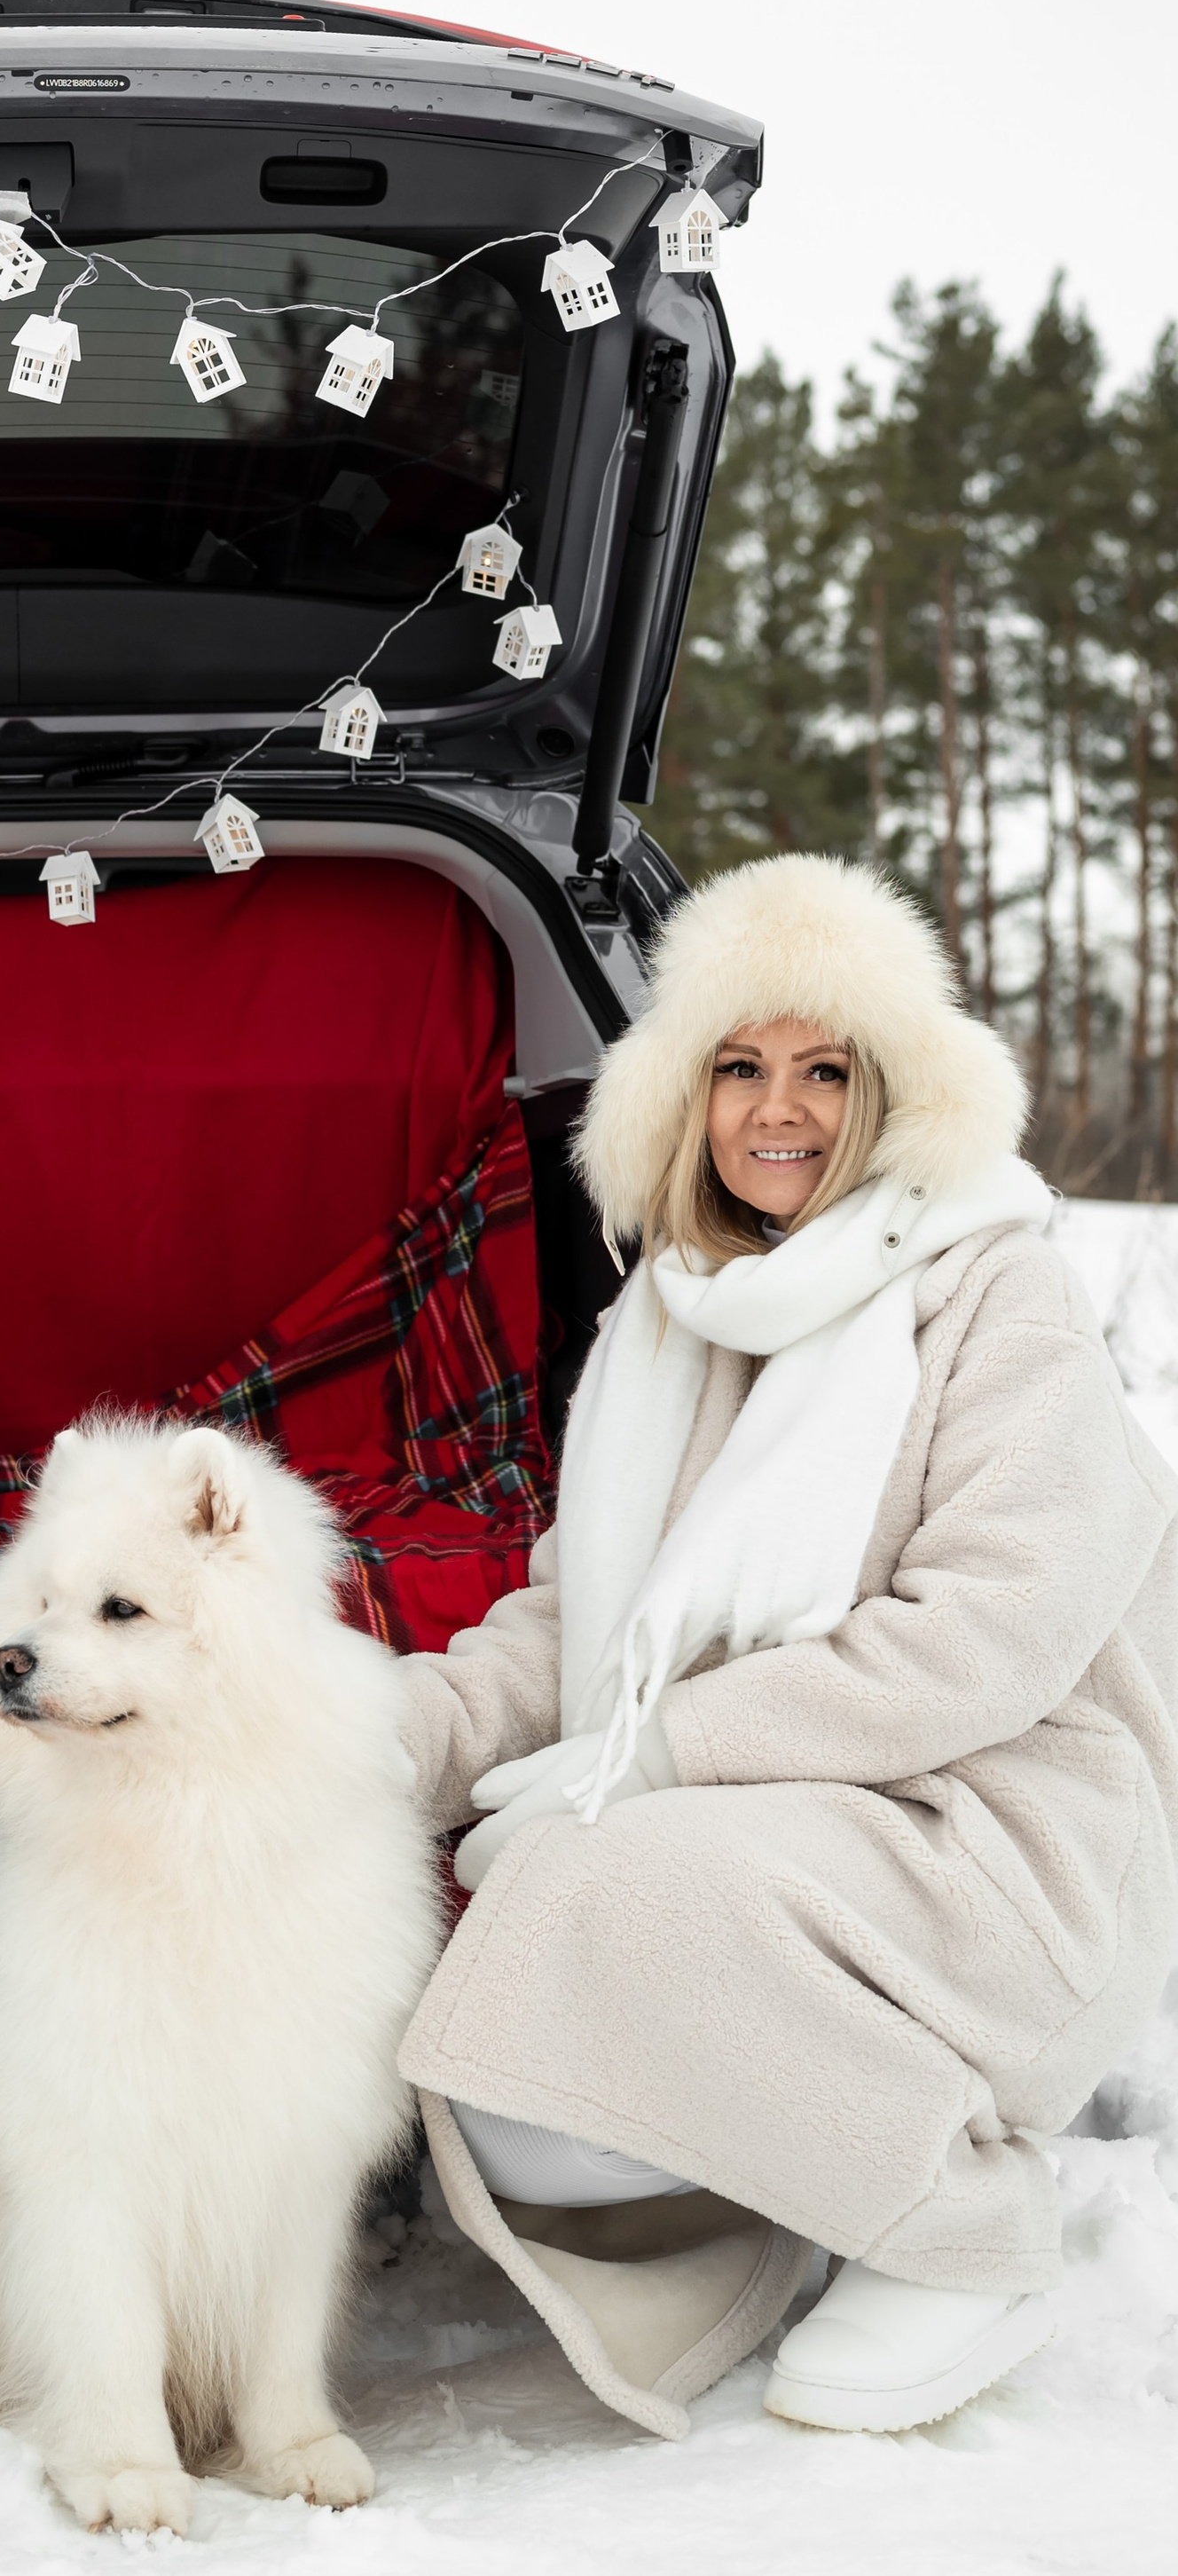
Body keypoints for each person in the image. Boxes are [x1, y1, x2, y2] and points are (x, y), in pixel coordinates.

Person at [394, 855, 1178, 2438]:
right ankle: (793, 2179)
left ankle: (961, 2223)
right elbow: (576, 1616)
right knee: (500, 1974)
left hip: (994, 1825)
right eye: (739, 1067)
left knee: (584, 1886)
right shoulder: (674, 1315)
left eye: (828, 1069)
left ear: (893, 1092)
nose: (782, 1110)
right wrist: (388, 1732)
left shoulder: (993, 1289)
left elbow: (984, 1640)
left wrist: (662, 1753)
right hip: (780, 1813)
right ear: (682, 1098)